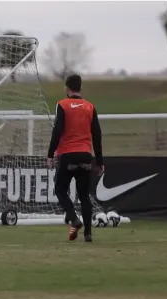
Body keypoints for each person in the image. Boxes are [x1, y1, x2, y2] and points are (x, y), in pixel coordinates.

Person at [47, 74, 104, 242]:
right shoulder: (90, 107)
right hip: (86, 156)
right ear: (80, 88)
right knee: (84, 195)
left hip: (67, 155)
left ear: (67, 89)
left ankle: (74, 219)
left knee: (60, 190)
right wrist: (99, 161)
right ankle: (88, 233)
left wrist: (50, 154)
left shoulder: (62, 105)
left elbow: (57, 130)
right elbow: (97, 135)